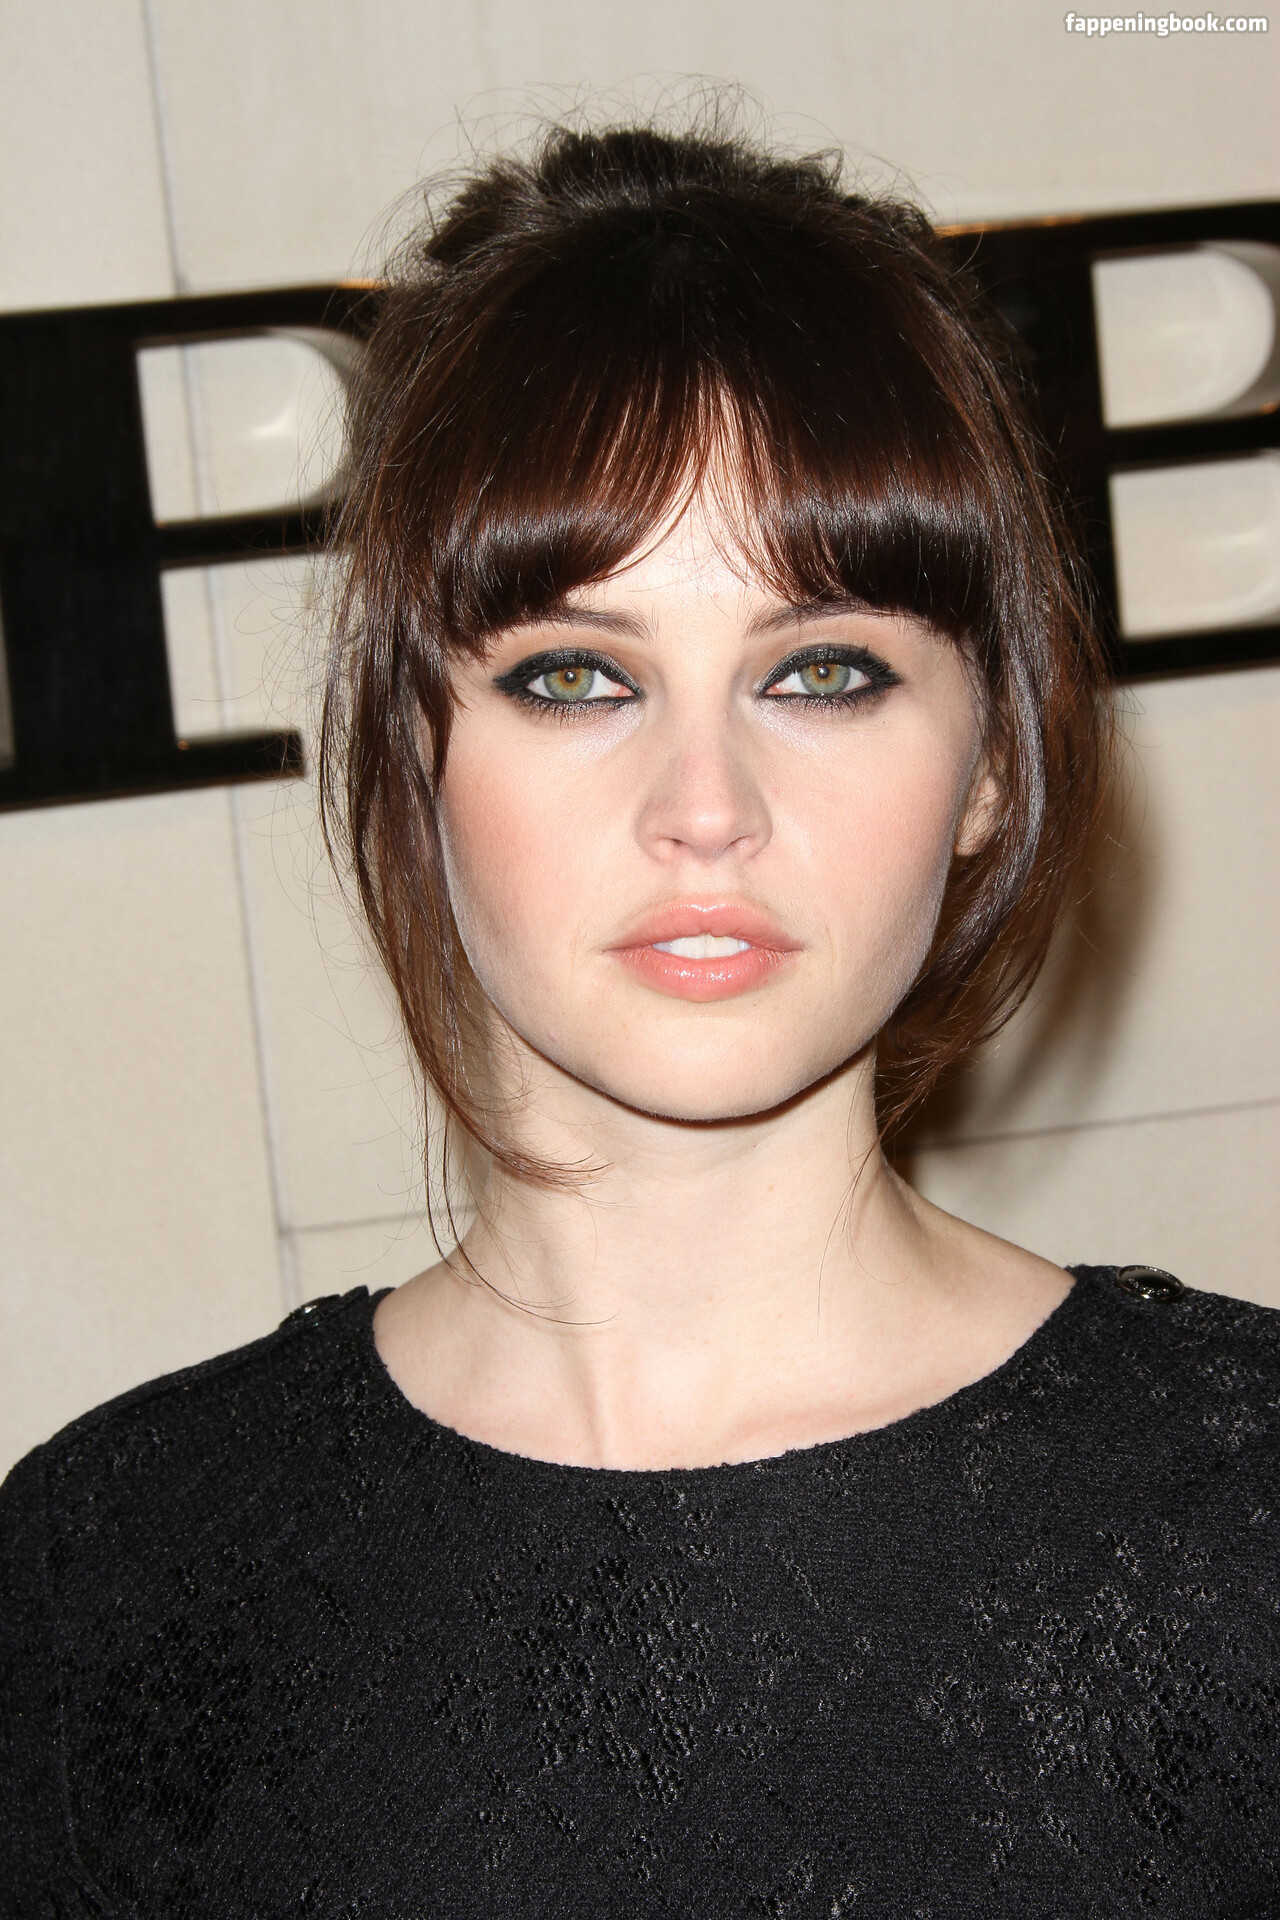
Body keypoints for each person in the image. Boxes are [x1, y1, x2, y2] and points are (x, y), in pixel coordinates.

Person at [2, 119, 1277, 1919]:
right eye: (575, 677)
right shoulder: (112, 1577)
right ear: (413, 757)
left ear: (992, 763)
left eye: (822, 671)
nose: (704, 809)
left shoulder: (1243, 1517)